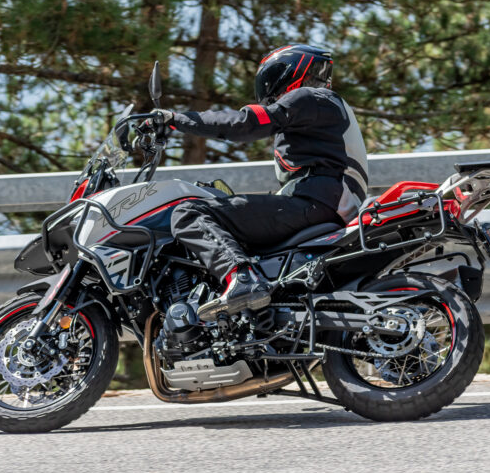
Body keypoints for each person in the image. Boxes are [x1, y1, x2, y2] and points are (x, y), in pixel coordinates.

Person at [146, 44, 368, 321]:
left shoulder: (311, 96)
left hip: (318, 201)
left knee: (189, 213)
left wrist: (175, 119)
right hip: (324, 202)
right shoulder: (322, 109)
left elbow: (245, 122)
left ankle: (242, 279)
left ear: (289, 72)